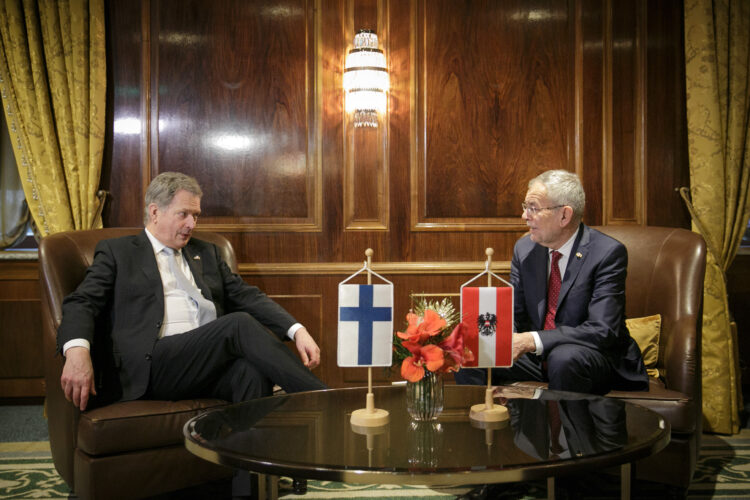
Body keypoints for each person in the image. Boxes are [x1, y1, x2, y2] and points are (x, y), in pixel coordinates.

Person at [58, 171, 327, 413]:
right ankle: (323, 400)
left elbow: (246, 295)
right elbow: (82, 302)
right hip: (151, 365)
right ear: (154, 212)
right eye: (183, 214)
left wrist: (296, 329)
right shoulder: (119, 252)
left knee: (250, 374)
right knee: (237, 324)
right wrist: (77, 351)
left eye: (196, 215)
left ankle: (245, 469)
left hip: (204, 363)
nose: (192, 224)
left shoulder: (206, 252)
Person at [455, 169, 648, 394]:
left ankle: (566, 430)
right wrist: (491, 337)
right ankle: (492, 423)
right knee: (469, 351)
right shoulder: (525, 249)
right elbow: (515, 314)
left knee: (564, 357)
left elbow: (602, 330)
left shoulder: (607, 253)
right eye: (525, 207)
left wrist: (531, 340)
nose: (524, 216)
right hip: (539, 358)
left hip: (592, 358)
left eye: (533, 208)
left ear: (564, 216)